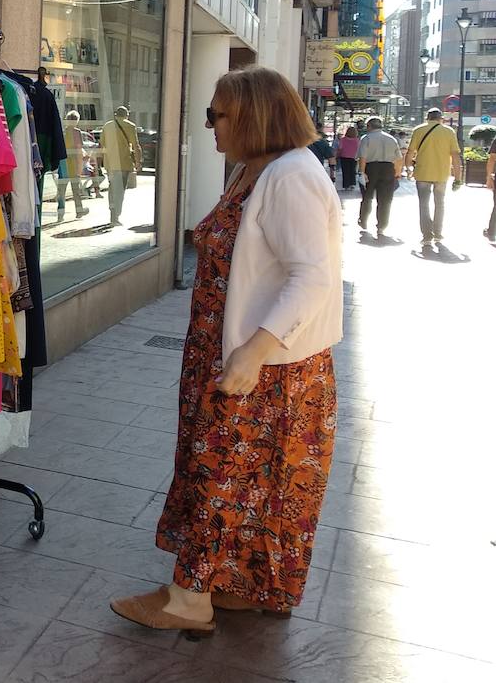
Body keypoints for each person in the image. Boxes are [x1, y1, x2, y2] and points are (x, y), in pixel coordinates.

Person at [111, 67, 340, 634]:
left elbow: (312, 277)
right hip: (238, 354)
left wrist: (254, 351)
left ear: (253, 115)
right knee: (249, 479)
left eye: (217, 113)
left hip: (266, 366)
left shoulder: (290, 176)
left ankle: (189, 600)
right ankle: (239, 583)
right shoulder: (255, 171)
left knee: (226, 474)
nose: (208, 123)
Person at [404, 108, 462, 251]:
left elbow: (410, 152)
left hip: (423, 172)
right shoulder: (449, 132)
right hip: (442, 173)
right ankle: (438, 233)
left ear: (427, 118)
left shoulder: (418, 130)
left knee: (423, 204)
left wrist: (408, 168)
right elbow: (455, 156)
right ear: (441, 118)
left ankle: (426, 235)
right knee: (440, 203)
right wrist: (458, 178)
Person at [356, 117, 401, 240]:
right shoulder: (391, 139)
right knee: (385, 200)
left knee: (367, 196)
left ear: (369, 126)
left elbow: (363, 157)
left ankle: (363, 220)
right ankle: (381, 226)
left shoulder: (366, 138)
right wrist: (397, 173)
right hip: (388, 168)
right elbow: (398, 158)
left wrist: (362, 172)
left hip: (371, 168)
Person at [100, 106, 141, 226]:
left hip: (110, 163)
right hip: (124, 163)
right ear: (126, 115)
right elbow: (136, 145)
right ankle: (116, 216)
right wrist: (138, 162)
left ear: (115, 114)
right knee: (120, 190)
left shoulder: (107, 126)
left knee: (112, 188)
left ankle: (112, 213)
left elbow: (102, 143)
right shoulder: (130, 126)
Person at [55, 110, 88, 220]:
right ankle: (79, 211)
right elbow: (79, 149)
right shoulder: (77, 132)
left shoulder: (62, 132)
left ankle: (60, 214)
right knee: (76, 190)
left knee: (61, 191)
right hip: (74, 164)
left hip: (63, 164)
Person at [334, 125, 360, 190]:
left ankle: (346, 185)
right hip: (354, 157)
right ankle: (352, 184)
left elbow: (340, 148)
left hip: (344, 157)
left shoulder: (343, 140)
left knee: (345, 171)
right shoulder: (357, 140)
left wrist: (337, 155)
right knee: (352, 171)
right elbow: (359, 149)